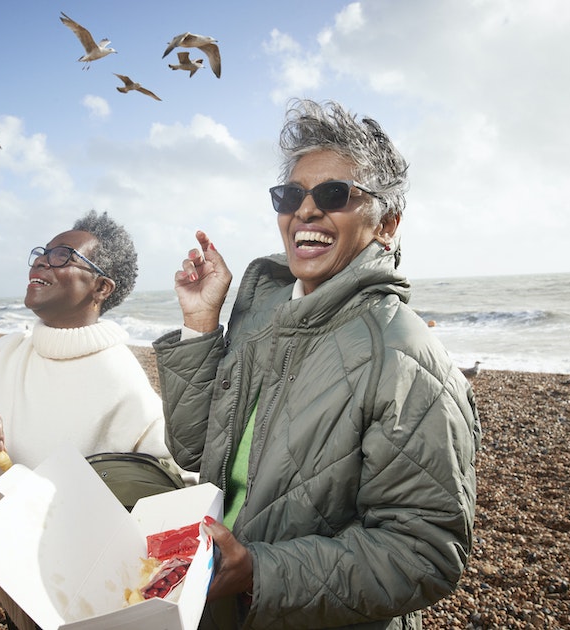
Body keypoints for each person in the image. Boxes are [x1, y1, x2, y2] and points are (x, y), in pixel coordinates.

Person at [153, 99, 481, 629]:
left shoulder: (404, 358)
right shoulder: (263, 316)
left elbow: (424, 554)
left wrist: (259, 572)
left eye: (334, 194)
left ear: (387, 224)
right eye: (291, 195)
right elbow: (193, 448)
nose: (305, 210)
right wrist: (200, 322)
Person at [0, 210, 177, 629]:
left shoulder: (123, 380)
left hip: (70, 593)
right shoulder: (1, 352)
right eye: (41, 253)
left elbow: (168, 486)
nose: (41, 262)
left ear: (101, 287)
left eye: (63, 256)